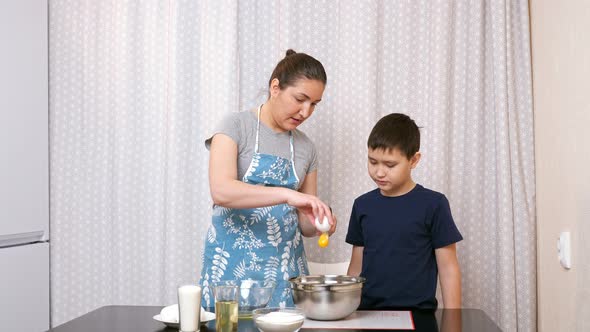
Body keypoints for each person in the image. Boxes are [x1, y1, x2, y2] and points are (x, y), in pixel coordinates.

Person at [199, 49, 336, 308]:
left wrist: (319, 220)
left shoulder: (307, 148)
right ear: (275, 87)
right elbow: (222, 191)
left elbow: (305, 226)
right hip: (230, 272)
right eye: (300, 99)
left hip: (285, 274)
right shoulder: (235, 126)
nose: (305, 112)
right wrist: (287, 194)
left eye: (314, 104)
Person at [346, 113, 462, 310]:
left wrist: (453, 321)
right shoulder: (362, 205)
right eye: (373, 162)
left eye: (390, 165)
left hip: (418, 315)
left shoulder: (434, 204)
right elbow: (356, 267)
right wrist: (346, 311)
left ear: (414, 160)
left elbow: (448, 268)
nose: (379, 172)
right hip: (367, 313)